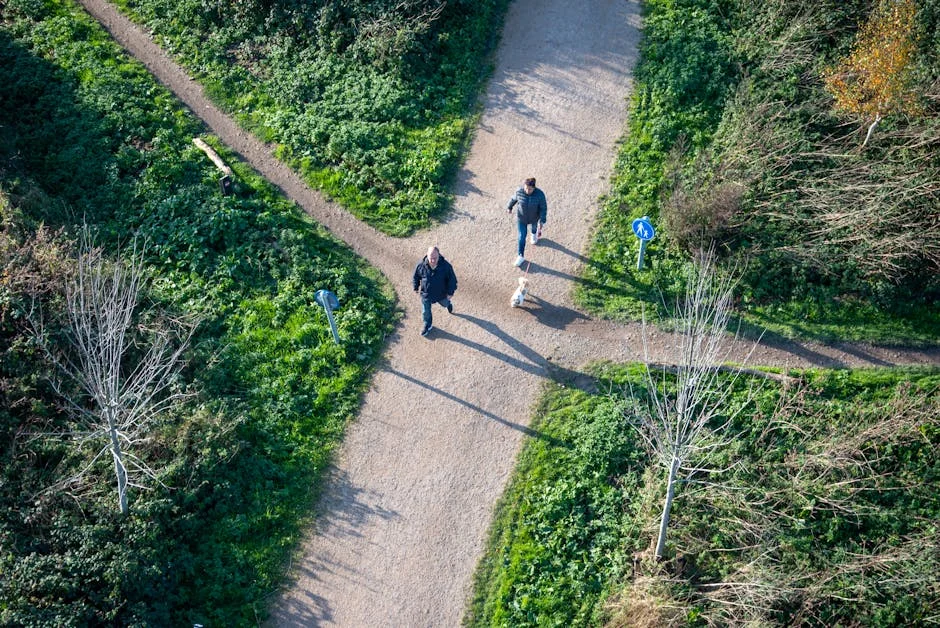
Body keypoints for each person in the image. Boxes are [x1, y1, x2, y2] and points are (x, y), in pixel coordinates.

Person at [412, 245, 457, 337]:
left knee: (445, 303)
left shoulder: (446, 266)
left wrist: (450, 292)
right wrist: (415, 287)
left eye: (435, 258)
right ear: (427, 256)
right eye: (431, 258)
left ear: (439, 255)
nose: (433, 260)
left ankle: (448, 304)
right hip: (426, 294)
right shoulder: (421, 266)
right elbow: (415, 276)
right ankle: (427, 325)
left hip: (441, 294)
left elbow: (452, 280)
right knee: (426, 311)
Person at [506, 177, 547, 267]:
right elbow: (513, 199)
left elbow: (543, 208)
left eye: (530, 189)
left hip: (534, 218)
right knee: (521, 236)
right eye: (526, 188)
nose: (527, 190)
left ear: (534, 188)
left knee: (533, 229)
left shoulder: (540, 195)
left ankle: (533, 235)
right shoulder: (519, 191)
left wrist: (542, 221)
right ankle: (520, 256)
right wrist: (509, 207)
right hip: (522, 219)